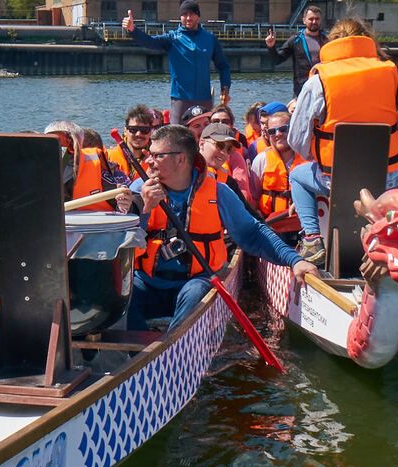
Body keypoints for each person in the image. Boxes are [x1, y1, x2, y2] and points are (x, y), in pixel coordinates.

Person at [127, 125, 318, 331]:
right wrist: (145, 209)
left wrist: (294, 260)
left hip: (193, 282)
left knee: (195, 292)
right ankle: (136, 349)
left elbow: (252, 234)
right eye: (149, 154)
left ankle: (171, 345)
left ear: (181, 159)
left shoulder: (219, 192)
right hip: (147, 282)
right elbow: (124, 245)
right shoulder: (138, 189)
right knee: (123, 294)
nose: (148, 161)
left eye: (157, 155)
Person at [286, 18, 398, 264]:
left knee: (297, 176)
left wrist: (314, 156)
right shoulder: (393, 72)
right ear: (367, 41)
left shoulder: (319, 80)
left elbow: (295, 139)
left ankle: (312, 239)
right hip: (388, 177)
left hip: (332, 179)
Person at [122, 0, 231, 122]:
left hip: (204, 99)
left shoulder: (210, 39)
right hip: (180, 99)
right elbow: (149, 42)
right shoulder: (172, 39)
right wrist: (133, 30)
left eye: (192, 14)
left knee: (204, 137)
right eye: (185, 14)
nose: (188, 18)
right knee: (177, 137)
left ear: (198, 16)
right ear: (180, 17)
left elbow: (223, 66)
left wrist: (225, 88)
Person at [45, 120, 132, 212]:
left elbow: (126, 205)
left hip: (92, 224)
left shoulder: (102, 175)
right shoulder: (38, 173)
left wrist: (124, 205)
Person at [249, 110, 306, 218]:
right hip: (271, 224)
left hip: (301, 223)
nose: (278, 134)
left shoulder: (308, 159)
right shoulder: (261, 160)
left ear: (293, 129)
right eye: (272, 131)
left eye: (283, 129)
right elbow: (254, 197)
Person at [265, 5, 326, 96]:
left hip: (323, 88)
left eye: (317, 19)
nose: (314, 22)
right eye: (311, 19)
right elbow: (277, 60)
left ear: (321, 20)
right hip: (302, 90)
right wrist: (271, 47)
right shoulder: (295, 40)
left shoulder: (327, 40)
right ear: (304, 20)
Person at [198, 122, 258, 212]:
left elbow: (246, 213)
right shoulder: (184, 174)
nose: (224, 153)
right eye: (219, 145)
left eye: (229, 149)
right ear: (201, 144)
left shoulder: (229, 183)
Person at [107, 104, 155, 176]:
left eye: (144, 130)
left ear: (151, 132)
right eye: (133, 129)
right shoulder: (108, 157)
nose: (138, 134)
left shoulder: (157, 160)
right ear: (125, 130)